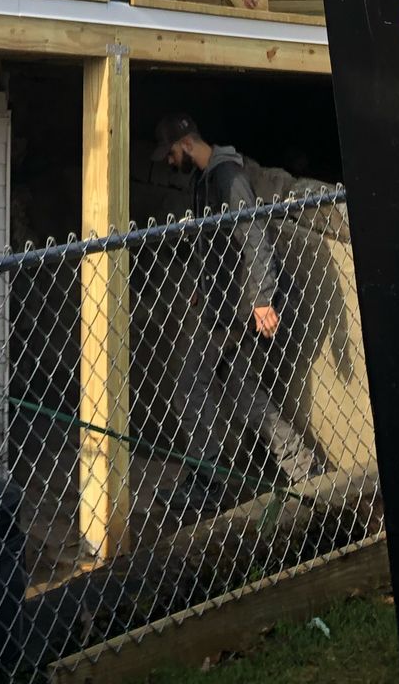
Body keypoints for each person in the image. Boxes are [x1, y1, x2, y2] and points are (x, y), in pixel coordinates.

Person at [152, 113, 321, 506]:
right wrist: (198, 283)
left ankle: (208, 482)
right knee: (242, 391)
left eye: (171, 152)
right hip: (225, 303)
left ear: (188, 143)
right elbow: (209, 242)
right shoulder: (204, 180)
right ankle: (303, 467)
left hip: (239, 308)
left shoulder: (228, 178)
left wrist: (263, 299)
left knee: (189, 385)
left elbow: (254, 235)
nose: (168, 160)